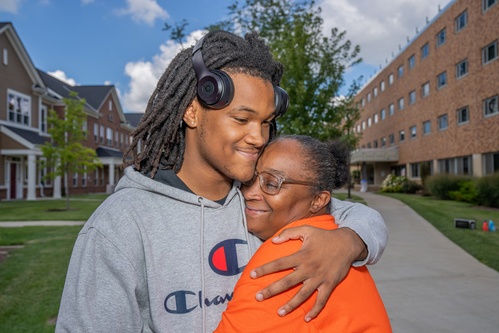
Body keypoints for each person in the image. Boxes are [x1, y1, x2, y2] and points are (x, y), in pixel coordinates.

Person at [56, 30, 388, 332]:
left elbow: (353, 214)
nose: (258, 138)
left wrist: (349, 242)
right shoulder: (121, 225)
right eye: (242, 118)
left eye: (266, 122)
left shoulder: (258, 202)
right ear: (192, 112)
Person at [215, 135, 392, 332]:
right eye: (249, 179)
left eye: (272, 184)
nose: (249, 193)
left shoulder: (290, 257)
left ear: (318, 200)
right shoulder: (328, 235)